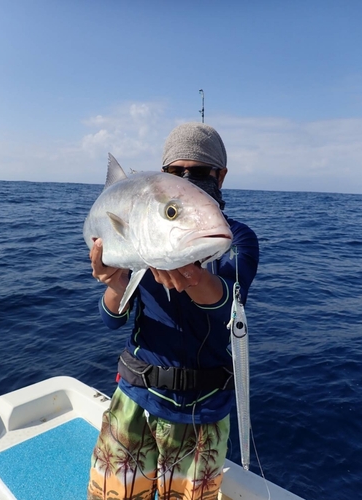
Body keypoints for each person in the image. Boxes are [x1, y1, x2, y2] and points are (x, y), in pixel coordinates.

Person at [87, 122, 259, 500]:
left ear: (221, 175)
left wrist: (193, 277)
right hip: (133, 399)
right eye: (175, 172)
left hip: (203, 414)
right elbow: (110, 319)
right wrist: (115, 281)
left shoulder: (236, 239)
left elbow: (228, 311)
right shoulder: (146, 235)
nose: (187, 179)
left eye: (198, 172)